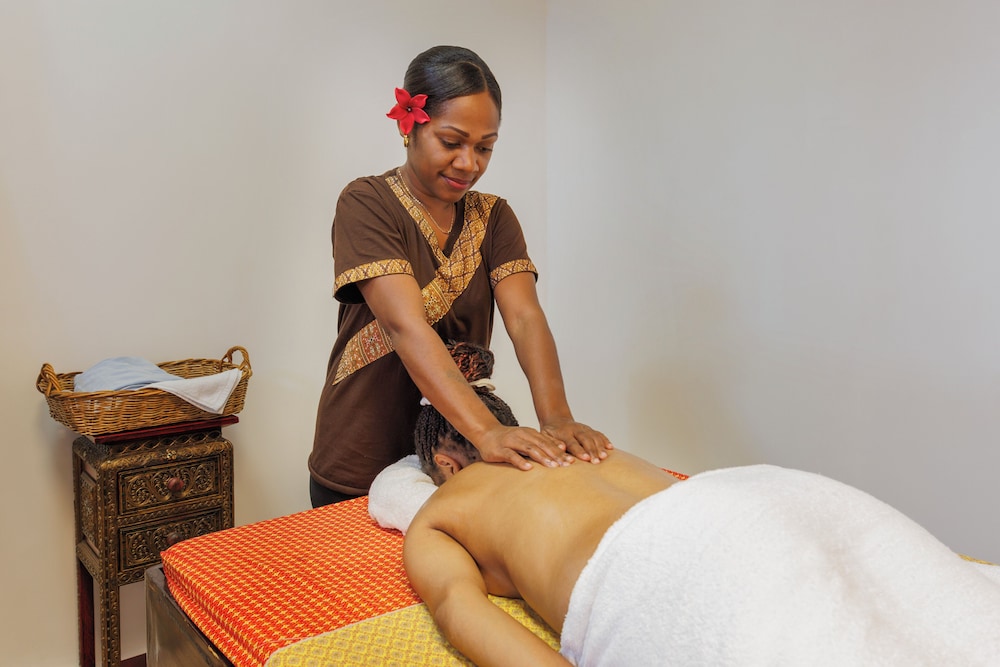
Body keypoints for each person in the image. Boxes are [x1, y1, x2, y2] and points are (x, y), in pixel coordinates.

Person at [405, 346, 1000, 666]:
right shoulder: (576, 442)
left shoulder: (443, 508)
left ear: (445, 465)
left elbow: (459, 609)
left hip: (662, 563)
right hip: (765, 496)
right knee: (931, 615)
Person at [309, 45, 612, 507]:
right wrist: (488, 431)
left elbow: (525, 319)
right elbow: (405, 325)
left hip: (455, 457)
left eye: (485, 147)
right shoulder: (367, 202)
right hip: (362, 452)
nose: (469, 163)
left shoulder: (495, 218)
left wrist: (557, 419)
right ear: (408, 126)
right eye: (452, 142)